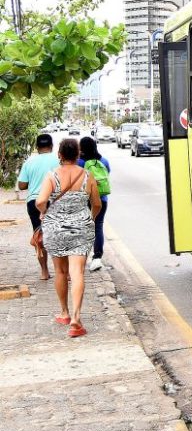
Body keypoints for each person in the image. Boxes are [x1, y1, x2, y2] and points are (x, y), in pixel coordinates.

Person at [35, 138, 101, 338]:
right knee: (77, 272)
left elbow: (40, 201)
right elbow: (97, 204)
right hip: (81, 228)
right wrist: (90, 218)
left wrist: (44, 213)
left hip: (55, 229)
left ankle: (64, 313)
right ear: (78, 154)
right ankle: (76, 318)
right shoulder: (87, 175)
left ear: (59, 155)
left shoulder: (52, 176)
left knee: (61, 272)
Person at [16, 133, 58, 281]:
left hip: (34, 202)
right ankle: (65, 273)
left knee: (39, 236)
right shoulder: (58, 160)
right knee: (60, 234)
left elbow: (21, 185)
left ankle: (44, 271)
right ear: (52, 146)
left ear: (36, 147)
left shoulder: (29, 162)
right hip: (55, 200)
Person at [77, 136, 111, 272]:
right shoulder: (104, 161)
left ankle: (81, 257)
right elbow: (107, 173)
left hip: (84, 200)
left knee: (82, 227)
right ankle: (97, 258)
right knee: (98, 227)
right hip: (102, 199)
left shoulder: (79, 162)